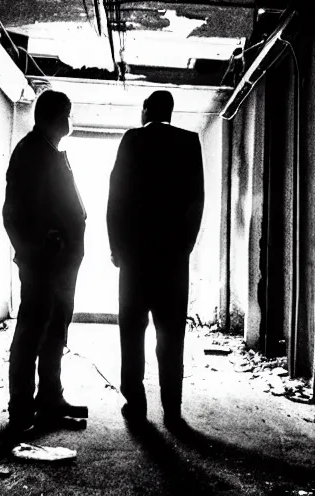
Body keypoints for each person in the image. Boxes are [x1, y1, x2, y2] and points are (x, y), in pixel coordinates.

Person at [106, 90, 204, 430]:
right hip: (172, 260)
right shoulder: (189, 143)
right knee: (171, 336)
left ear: (146, 110)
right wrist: (184, 248)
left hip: (135, 257)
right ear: (172, 112)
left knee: (132, 332)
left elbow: (115, 194)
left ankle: (136, 403)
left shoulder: (133, 140)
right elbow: (195, 202)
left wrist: (116, 245)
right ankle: (172, 408)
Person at [3, 90, 88, 434]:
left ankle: (50, 398)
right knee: (32, 331)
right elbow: (14, 213)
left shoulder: (49, 152)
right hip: (44, 264)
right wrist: (40, 246)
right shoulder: (32, 153)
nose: (71, 120)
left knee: (54, 331)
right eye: (68, 113)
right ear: (54, 116)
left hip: (60, 264)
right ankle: (21, 407)